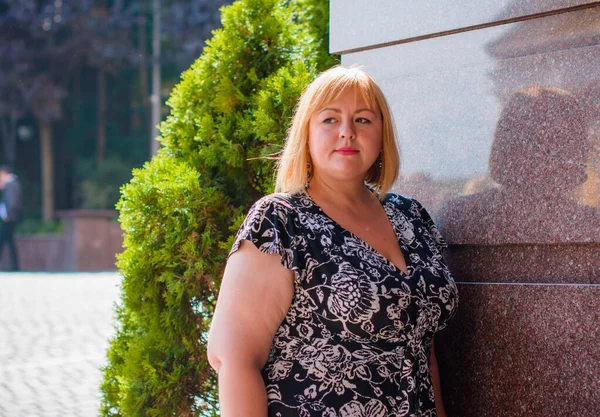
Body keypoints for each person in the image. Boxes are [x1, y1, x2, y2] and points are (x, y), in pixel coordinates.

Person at [207, 66, 458, 417]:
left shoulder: (411, 216)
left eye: (363, 120)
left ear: (382, 134)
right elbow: (234, 359)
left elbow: (422, 350)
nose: (347, 132)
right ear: (305, 134)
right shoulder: (280, 220)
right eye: (330, 119)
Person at [0, 165, 22, 271]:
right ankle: (15, 267)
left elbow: (12, 202)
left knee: (4, 240)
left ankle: (15, 267)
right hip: (10, 217)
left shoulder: (11, 184)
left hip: (9, 218)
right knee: (9, 242)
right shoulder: (10, 184)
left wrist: (8, 215)